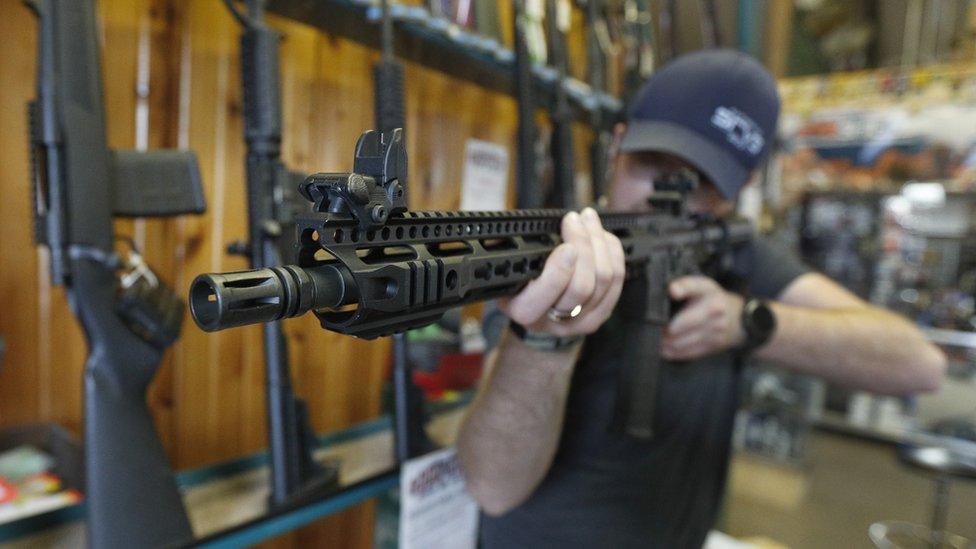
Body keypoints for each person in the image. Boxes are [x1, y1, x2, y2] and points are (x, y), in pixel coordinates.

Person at [455, 49, 947, 548]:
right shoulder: (561, 254)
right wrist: (544, 342)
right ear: (617, 146)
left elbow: (919, 364)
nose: (666, 191)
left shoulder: (736, 254)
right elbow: (491, 488)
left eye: (702, 180)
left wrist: (747, 322)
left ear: (740, 190)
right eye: (653, 161)